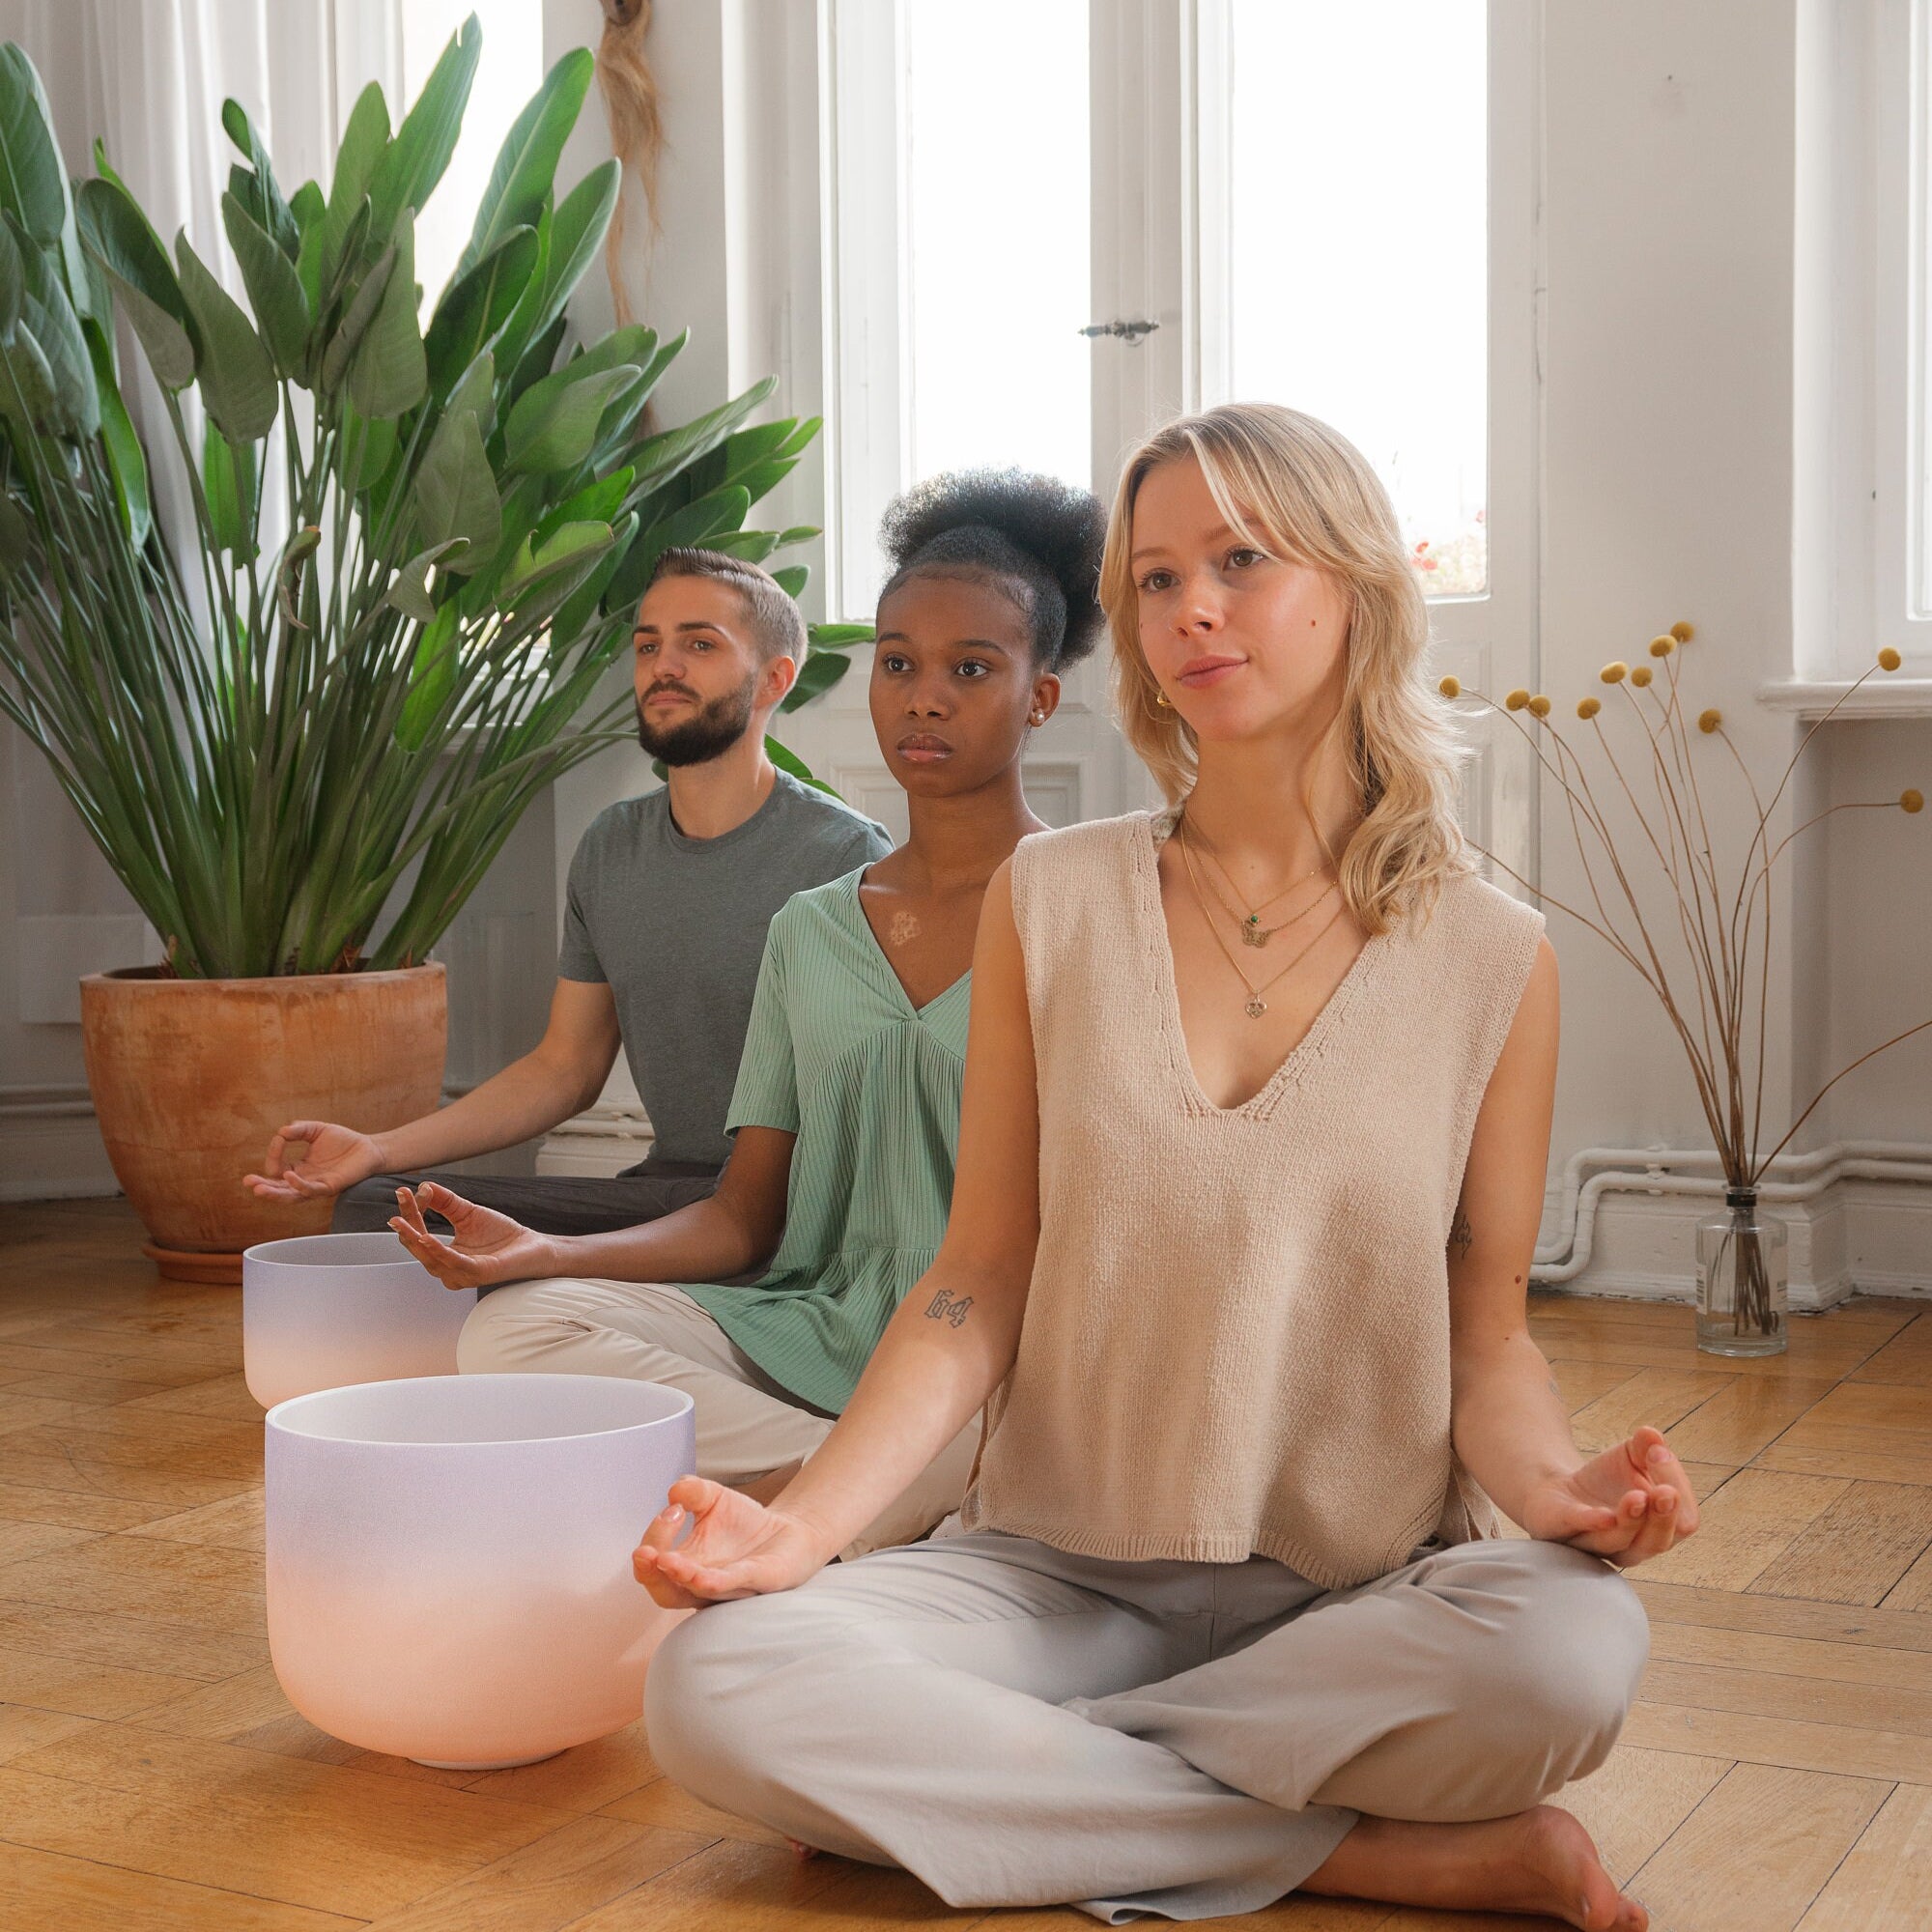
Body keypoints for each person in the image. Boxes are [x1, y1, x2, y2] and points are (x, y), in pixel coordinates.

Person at [628, 406, 1696, 1932]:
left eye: (1241, 560)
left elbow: (1493, 1329)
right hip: (1051, 1578)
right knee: (718, 1685)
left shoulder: (1494, 957)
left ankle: (995, 1801)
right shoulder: (1050, 900)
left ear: (1356, 584)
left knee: (1570, 1657)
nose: (1192, 606)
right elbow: (970, 1285)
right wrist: (802, 1527)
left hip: (1350, 1602)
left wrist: (1561, 1488)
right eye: (1154, 576)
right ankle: (1371, 1853)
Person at [388, 471, 1107, 1554]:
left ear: (1038, 697)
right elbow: (741, 1219)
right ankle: (868, 1491)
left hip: (993, 1350)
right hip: (806, 1327)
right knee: (515, 1329)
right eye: (898, 663)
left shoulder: (1093, 907)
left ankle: (838, 1492)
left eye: (971, 669)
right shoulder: (810, 928)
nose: (924, 696)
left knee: (1049, 1430)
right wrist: (542, 1251)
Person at [244, 550, 891, 1237]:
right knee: (380, 1206)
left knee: (513, 1271)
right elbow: (566, 1067)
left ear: (774, 680)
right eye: (649, 646)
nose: (663, 666)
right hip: (665, 1199)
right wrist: (377, 1149)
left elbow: (877, 1104)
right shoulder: (612, 847)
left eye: (699, 644)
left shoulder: (844, 856)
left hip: (793, 1216)